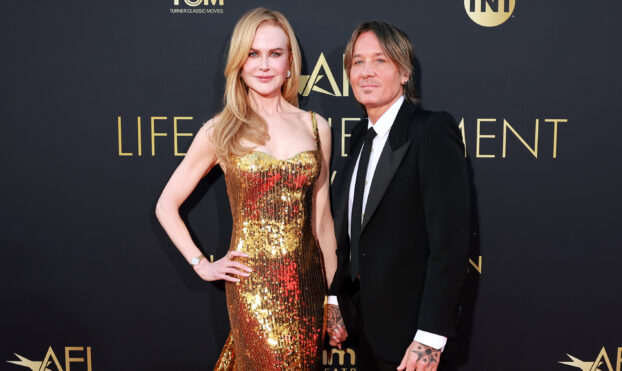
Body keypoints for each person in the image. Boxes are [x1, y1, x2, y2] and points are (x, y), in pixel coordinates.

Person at [155, 8, 336, 371]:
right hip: (253, 289)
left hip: (308, 286)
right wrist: (201, 264)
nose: (264, 65)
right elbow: (166, 204)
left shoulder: (317, 127)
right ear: (239, 62)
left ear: (290, 63)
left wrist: (332, 298)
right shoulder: (220, 130)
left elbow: (322, 219)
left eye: (275, 53)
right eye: (253, 54)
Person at [326, 21, 471, 371]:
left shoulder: (431, 132)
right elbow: (353, 234)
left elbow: (449, 244)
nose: (366, 72)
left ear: (404, 72)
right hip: (364, 330)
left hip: (412, 338)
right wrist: (336, 299)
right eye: (358, 62)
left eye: (380, 61)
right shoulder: (360, 135)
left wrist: (430, 337)